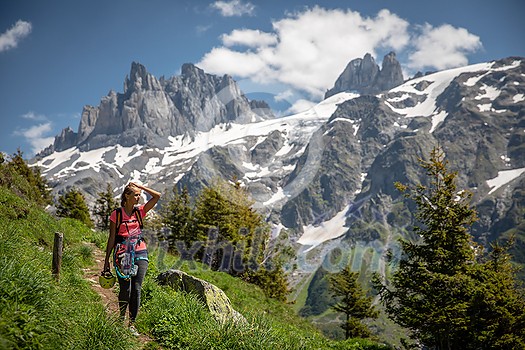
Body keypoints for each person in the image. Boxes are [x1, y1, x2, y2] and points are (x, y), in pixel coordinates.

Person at [103, 182, 161, 336]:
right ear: (126, 196)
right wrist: (106, 261)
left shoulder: (140, 211)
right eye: (135, 195)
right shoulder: (117, 214)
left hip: (140, 251)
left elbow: (157, 196)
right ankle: (121, 318)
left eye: (139, 194)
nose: (139, 197)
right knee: (125, 289)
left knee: (136, 289)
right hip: (123, 253)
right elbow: (112, 238)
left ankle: (132, 324)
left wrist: (141, 187)